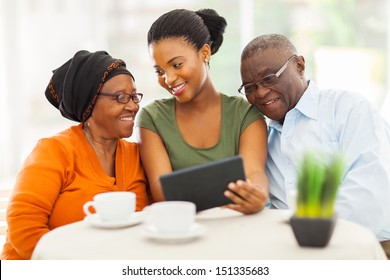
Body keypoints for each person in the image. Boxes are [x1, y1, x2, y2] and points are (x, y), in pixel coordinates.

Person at [239, 33, 390, 258]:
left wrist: (302, 233)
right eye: (250, 87)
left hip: (367, 250)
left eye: (269, 78)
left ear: (299, 65)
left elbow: (369, 196)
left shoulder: (348, 110)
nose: (260, 92)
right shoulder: (260, 138)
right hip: (289, 255)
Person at [0, 50, 149, 260]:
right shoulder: (54, 151)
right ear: (90, 104)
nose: (133, 106)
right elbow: (24, 228)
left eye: (134, 96)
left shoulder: (138, 155)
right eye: (121, 97)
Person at [136, 8, 268, 214]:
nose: (168, 79)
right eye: (159, 71)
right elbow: (164, 193)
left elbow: (253, 173)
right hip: (182, 232)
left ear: (204, 53)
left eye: (177, 64)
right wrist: (230, 193)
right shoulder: (152, 118)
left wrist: (256, 195)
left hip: (237, 229)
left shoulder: (245, 115)